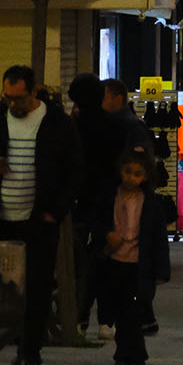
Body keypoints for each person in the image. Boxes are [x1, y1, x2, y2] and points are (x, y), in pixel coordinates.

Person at [0, 65, 83, 365]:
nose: (12, 104)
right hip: (1, 217)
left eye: (18, 98)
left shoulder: (56, 122)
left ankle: (30, 351)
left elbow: (74, 170)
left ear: (33, 93)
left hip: (39, 218)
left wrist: (55, 212)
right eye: (7, 97)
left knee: (38, 285)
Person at [75, 77, 150, 339]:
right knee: (100, 265)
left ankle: (89, 317)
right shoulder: (116, 125)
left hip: (106, 206)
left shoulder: (123, 126)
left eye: (105, 96)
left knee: (98, 265)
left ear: (117, 97)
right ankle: (102, 319)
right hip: (105, 205)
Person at [94, 149, 171, 365]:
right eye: (127, 172)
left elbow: (158, 238)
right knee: (120, 311)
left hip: (138, 265)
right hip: (114, 261)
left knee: (132, 313)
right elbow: (97, 221)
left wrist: (161, 270)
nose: (131, 178)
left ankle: (130, 356)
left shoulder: (150, 203)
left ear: (145, 176)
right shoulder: (110, 196)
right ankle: (129, 354)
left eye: (137, 174)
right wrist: (107, 236)